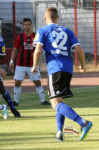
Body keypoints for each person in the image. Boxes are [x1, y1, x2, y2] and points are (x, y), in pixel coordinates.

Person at [31, 7, 92, 141]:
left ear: (45, 18)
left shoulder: (43, 30)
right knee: (60, 100)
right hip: (68, 68)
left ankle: (83, 123)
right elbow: (80, 50)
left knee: (55, 103)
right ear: (57, 18)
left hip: (55, 68)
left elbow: (38, 50)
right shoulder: (68, 31)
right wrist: (82, 66)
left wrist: (35, 66)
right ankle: (59, 132)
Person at [9, 18, 49, 106]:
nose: (27, 26)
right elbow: (15, 49)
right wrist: (12, 60)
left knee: (37, 82)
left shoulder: (36, 36)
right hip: (20, 64)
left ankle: (43, 101)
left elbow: (41, 48)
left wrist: (37, 53)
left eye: (29, 24)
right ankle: (15, 101)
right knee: (17, 82)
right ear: (23, 26)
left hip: (33, 65)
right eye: (25, 24)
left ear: (31, 25)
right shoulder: (20, 37)